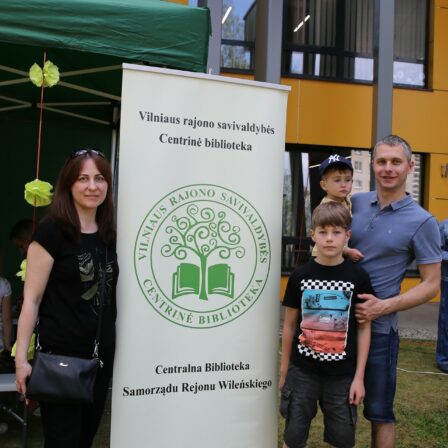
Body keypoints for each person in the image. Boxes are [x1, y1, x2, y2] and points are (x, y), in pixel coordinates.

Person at [14, 147, 118, 448]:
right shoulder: (51, 232)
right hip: (61, 358)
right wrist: (21, 361)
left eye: (100, 178)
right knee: (63, 442)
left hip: (99, 358)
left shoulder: (108, 233)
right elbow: (31, 300)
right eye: (83, 178)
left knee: (85, 439)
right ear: (69, 184)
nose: (92, 186)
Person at [350, 134, 442, 448]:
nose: (388, 168)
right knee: (337, 405)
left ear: (410, 166)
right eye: (381, 161)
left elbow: (431, 284)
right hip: (336, 323)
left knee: (380, 412)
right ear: (373, 164)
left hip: (379, 331)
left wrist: (383, 306)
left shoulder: (423, 221)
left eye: (396, 162)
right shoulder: (354, 203)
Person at [280, 202, 372, 448]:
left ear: (347, 235)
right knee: (293, 437)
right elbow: (289, 326)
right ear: (313, 235)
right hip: (302, 372)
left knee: (342, 439)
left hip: (342, 376)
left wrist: (359, 378)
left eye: (336, 232)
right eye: (323, 232)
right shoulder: (299, 277)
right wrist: (285, 371)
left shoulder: (359, 278)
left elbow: (364, 328)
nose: (329, 238)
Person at [312, 154, 364, 262]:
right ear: (324, 185)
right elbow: (331, 238)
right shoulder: (327, 208)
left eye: (348, 180)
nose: (343, 185)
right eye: (337, 180)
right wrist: (348, 251)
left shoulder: (346, 200)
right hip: (325, 259)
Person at [436, 218, 448, 373]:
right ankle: (444, 359)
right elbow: (436, 251)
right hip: (447, 280)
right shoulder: (445, 226)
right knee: (446, 322)